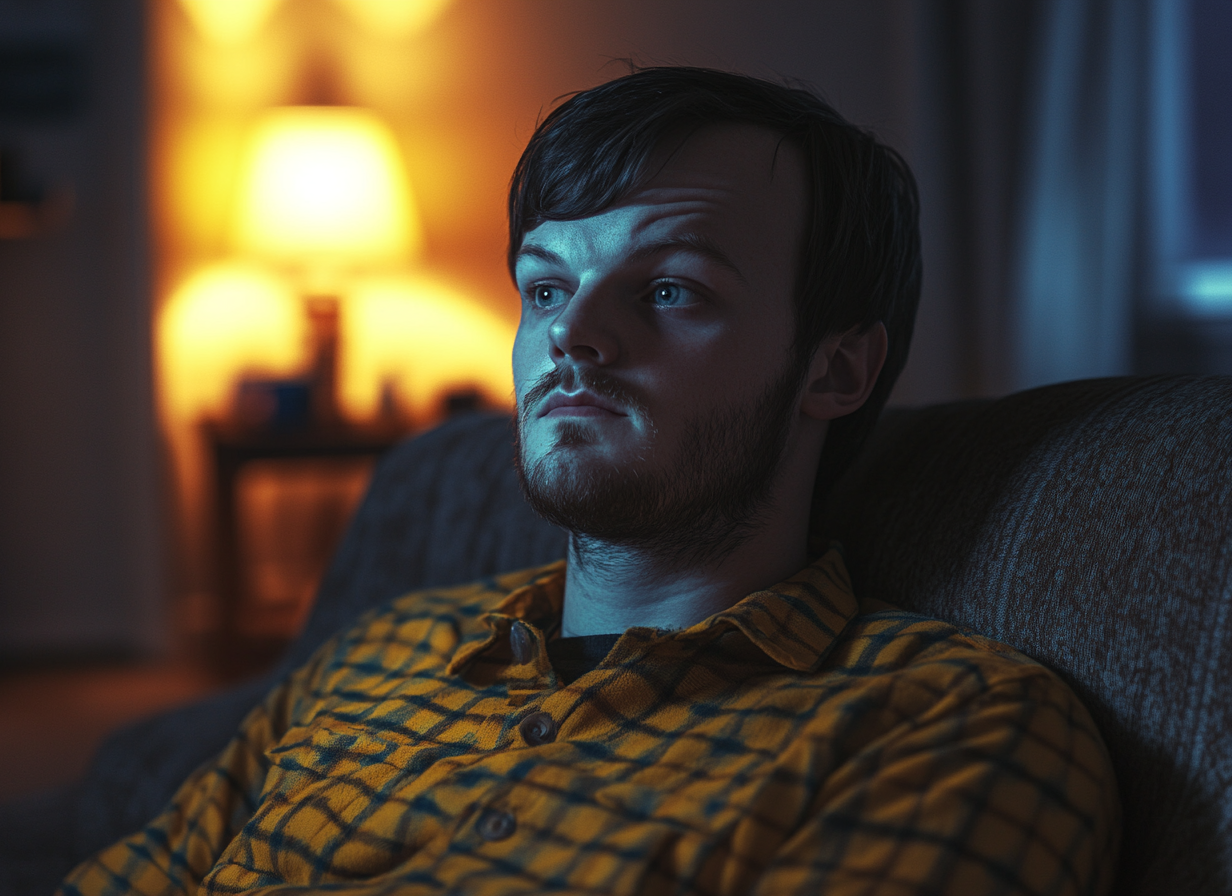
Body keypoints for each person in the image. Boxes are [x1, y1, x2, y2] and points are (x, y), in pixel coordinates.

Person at [62, 67, 1119, 896]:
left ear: (836, 368)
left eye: (669, 288)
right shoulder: (382, 648)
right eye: (547, 284)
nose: (571, 332)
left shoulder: (945, 724)